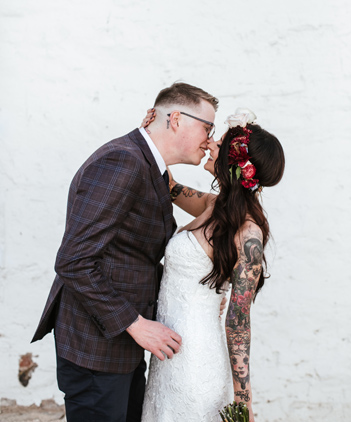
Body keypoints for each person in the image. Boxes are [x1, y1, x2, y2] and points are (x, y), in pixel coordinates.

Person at [31, 83, 219, 422]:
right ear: (175, 119)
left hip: (121, 348)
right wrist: (134, 323)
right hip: (95, 349)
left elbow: (131, 257)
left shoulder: (151, 166)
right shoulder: (122, 161)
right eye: (207, 127)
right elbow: (74, 260)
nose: (209, 139)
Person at [139, 107, 285, 422]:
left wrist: (243, 402)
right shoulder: (211, 204)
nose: (210, 145)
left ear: (233, 161)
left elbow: (238, 323)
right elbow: (167, 184)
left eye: (217, 142)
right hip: (166, 354)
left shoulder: (248, 234)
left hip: (196, 363)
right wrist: (147, 137)